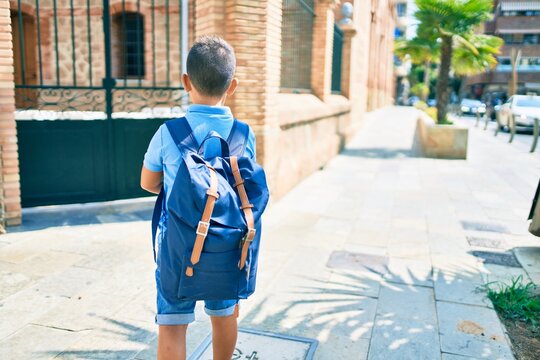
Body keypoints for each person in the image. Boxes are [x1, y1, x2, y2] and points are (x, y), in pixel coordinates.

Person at [140, 35, 256, 360]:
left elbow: (148, 183)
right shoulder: (245, 135)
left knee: (173, 325)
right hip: (228, 244)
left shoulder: (168, 132)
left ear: (186, 81)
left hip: (178, 247)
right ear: (231, 86)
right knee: (225, 315)